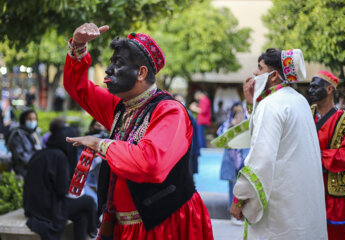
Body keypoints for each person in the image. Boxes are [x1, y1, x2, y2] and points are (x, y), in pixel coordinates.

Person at [63, 23, 213, 239]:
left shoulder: (169, 111)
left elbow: (150, 164)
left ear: (141, 72)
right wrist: (78, 46)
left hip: (163, 226)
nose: (108, 70)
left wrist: (100, 144)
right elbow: (78, 88)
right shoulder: (121, 106)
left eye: (118, 63)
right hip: (123, 225)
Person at [230, 48, 327, 239]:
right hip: (300, 204)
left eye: (260, 68)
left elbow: (261, 159)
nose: (254, 74)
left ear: (273, 75)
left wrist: (239, 199)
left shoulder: (271, 105)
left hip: (279, 209)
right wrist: (253, 103)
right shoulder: (299, 101)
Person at [23, 118, 98, 240]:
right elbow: (62, 190)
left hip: (33, 206)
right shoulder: (60, 157)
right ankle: (94, 232)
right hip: (48, 208)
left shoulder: (42, 153)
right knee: (88, 201)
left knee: (82, 215)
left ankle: (92, 232)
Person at [308, 70, 345, 240]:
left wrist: (314, 157)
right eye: (310, 87)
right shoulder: (304, 115)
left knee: (335, 235)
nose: (310, 90)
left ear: (329, 90)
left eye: (315, 86)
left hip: (333, 191)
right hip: (306, 187)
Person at [217, 101, 249, 225]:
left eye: (240, 111)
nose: (238, 114)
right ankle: (234, 215)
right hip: (231, 161)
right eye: (235, 112)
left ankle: (245, 213)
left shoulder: (249, 124)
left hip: (245, 159)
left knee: (245, 187)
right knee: (232, 187)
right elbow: (221, 139)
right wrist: (232, 125)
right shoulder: (227, 124)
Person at [6, 109, 42, 177]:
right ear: (23, 120)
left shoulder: (35, 133)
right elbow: (19, 155)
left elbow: (41, 147)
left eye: (34, 119)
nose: (32, 121)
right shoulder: (17, 134)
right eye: (29, 119)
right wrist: (35, 162)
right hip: (23, 170)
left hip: (37, 168)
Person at [173, 93, 200, 175]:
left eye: (181, 100)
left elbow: (195, 136)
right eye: (177, 100)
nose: (180, 102)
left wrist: (197, 152)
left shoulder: (189, 116)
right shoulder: (169, 116)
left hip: (187, 152)